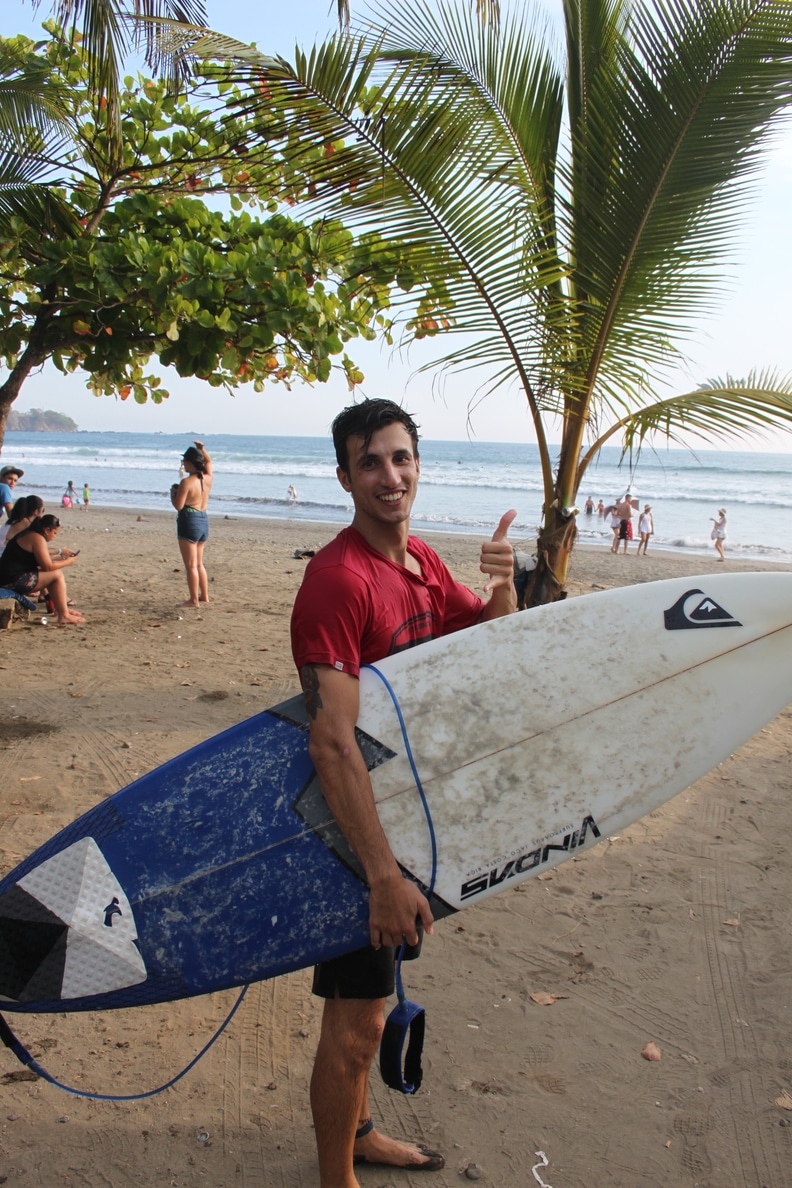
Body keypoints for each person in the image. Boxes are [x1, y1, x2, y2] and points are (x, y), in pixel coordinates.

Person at [290, 398, 517, 1186]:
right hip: (356, 836)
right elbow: (330, 738)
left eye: (399, 458)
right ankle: (336, 1179)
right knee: (355, 1027)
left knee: (373, 1007)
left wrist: (502, 584)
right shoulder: (338, 579)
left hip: (405, 820)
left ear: (418, 463)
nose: (389, 475)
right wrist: (382, 875)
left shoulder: (420, 561)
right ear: (346, 476)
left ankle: (358, 1136)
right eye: (370, 462)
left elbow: (483, 645)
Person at [0, 514, 84, 625]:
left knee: (51, 574)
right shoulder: (36, 538)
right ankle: (63, 615)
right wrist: (68, 562)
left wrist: (61, 554)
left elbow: (42, 554)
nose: (54, 536)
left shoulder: (29, 534)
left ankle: (60, 610)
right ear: (47, 530)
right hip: (11, 581)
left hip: (7, 577)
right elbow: (47, 566)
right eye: (54, 533)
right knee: (56, 575)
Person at [170, 440, 213, 607]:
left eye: (184, 462)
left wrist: (173, 493)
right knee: (199, 563)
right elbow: (208, 462)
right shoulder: (207, 478)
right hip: (203, 518)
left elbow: (178, 506)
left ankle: (194, 600)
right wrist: (202, 449)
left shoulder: (187, 482)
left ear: (189, 462)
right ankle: (205, 596)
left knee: (190, 565)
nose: (183, 465)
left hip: (189, 519)